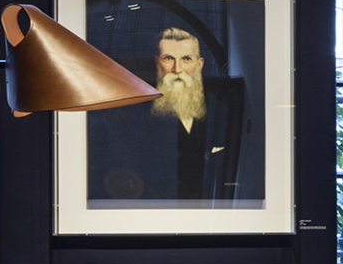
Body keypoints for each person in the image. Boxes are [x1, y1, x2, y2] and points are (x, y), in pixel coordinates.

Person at [85, 16, 252, 206]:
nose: (177, 69)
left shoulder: (221, 108)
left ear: (200, 64)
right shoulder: (133, 114)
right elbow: (121, 171)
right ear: (157, 62)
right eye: (168, 59)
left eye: (186, 59)